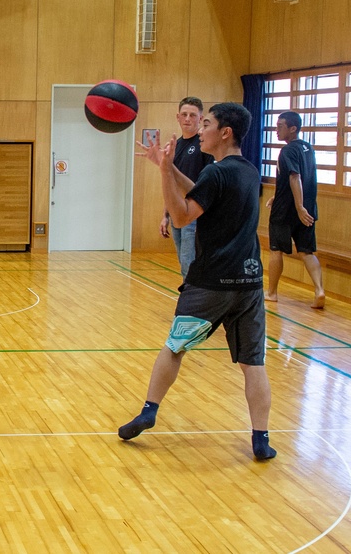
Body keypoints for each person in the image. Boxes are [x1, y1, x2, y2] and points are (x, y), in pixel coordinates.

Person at [119, 103, 277, 462]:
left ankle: (149, 409)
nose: (200, 129)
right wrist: (172, 167)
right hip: (250, 282)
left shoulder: (215, 173)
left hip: (211, 283)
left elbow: (180, 215)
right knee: (254, 363)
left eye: (206, 123)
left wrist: (162, 172)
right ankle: (261, 439)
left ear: (225, 133)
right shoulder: (248, 172)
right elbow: (205, 195)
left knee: (175, 347)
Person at [266, 111, 325, 308]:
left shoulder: (288, 150)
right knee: (307, 252)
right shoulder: (308, 148)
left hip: (287, 212)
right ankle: (319, 290)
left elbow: (295, 177)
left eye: (280, 126)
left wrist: (298, 207)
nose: (276, 130)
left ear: (293, 129)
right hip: (307, 209)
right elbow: (297, 180)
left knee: (276, 251)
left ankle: (272, 292)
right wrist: (279, 195)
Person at [159, 97, 213, 279]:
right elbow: (170, 182)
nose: (188, 119)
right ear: (178, 117)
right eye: (184, 115)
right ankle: (190, 298)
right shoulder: (176, 145)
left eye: (192, 115)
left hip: (195, 213)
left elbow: (208, 183)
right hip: (177, 211)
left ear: (200, 118)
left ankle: (191, 302)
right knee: (184, 262)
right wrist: (165, 215)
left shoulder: (204, 144)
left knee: (189, 262)